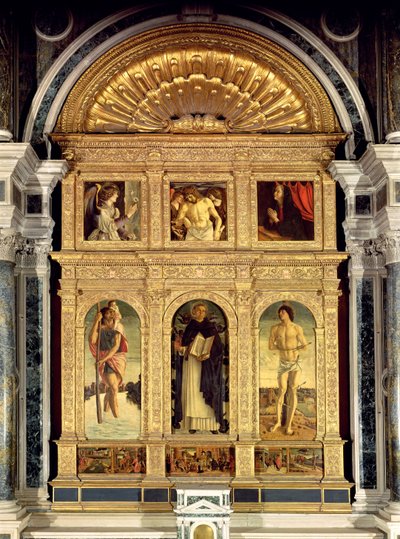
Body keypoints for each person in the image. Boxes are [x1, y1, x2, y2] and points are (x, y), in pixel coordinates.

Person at [173, 302, 226, 433]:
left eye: (203, 311)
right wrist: (182, 348)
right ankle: (192, 425)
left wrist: (208, 353)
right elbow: (184, 348)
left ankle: (211, 426)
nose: (201, 313)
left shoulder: (211, 328)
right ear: (193, 312)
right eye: (198, 310)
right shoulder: (190, 327)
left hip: (207, 365)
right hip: (192, 363)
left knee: (207, 393)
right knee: (193, 392)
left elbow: (218, 348)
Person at [268, 304, 308, 435]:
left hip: (295, 363)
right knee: (281, 391)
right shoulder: (275, 328)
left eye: (283, 312)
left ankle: (288, 425)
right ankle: (278, 422)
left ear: (288, 313)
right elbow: (270, 346)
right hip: (283, 363)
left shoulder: (297, 328)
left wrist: (296, 348)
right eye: (279, 312)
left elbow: (304, 346)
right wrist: (281, 348)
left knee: (293, 390)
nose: (280, 314)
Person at [89, 306, 128, 418]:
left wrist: (103, 360)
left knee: (112, 389)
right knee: (114, 388)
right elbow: (92, 340)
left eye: (113, 312)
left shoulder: (118, 327)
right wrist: (96, 321)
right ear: (103, 315)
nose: (112, 314)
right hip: (106, 361)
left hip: (118, 359)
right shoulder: (100, 328)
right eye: (109, 312)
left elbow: (116, 346)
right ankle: (117, 417)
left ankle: (106, 412)